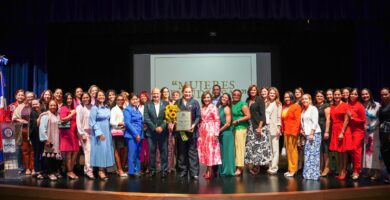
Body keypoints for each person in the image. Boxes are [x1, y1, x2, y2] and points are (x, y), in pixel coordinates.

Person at [171, 84, 201, 180]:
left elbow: (198, 116)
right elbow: (173, 115)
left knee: (192, 152)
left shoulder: (195, 102)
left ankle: (194, 173)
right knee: (181, 152)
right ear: (182, 92)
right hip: (181, 132)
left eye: (189, 92)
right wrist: (174, 121)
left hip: (192, 131)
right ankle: (182, 171)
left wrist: (193, 125)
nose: (187, 93)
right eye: (186, 91)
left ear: (192, 92)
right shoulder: (177, 103)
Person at [245, 85, 271, 175]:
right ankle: (253, 164)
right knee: (252, 147)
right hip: (250, 126)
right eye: (251, 90)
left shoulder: (259, 100)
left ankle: (257, 166)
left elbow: (262, 115)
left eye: (254, 90)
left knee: (258, 147)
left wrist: (260, 127)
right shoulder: (247, 100)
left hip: (258, 126)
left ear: (257, 91)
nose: (253, 91)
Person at [89, 90, 115, 180]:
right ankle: (100, 171)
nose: (101, 97)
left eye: (103, 95)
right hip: (99, 131)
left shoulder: (107, 107)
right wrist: (99, 133)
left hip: (107, 131)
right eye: (99, 95)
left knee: (106, 150)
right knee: (100, 150)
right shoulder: (94, 108)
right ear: (96, 97)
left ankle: (104, 169)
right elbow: (92, 122)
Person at [144, 88, 169, 178]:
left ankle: (164, 170)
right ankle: (152, 170)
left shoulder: (166, 104)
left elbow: (168, 117)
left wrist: (161, 127)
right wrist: (155, 128)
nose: (155, 95)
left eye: (157, 94)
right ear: (152, 94)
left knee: (164, 152)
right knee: (152, 152)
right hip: (151, 133)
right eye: (154, 94)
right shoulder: (147, 104)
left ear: (160, 94)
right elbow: (146, 118)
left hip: (163, 132)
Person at [329, 89, 352, 180]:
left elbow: (347, 120)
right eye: (335, 95)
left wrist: (342, 132)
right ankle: (340, 170)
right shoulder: (332, 106)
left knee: (344, 151)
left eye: (338, 95)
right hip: (335, 129)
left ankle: (344, 171)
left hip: (343, 129)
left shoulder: (345, 105)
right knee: (338, 151)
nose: (337, 96)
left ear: (341, 96)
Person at [198, 91, 221, 179]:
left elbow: (217, 120)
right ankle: (207, 169)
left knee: (211, 150)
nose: (206, 99)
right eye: (204, 97)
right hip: (203, 131)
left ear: (210, 98)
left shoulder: (213, 107)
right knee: (206, 151)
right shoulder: (202, 107)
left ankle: (210, 171)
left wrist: (216, 133)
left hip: (211, 130)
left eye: (208, 97)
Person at [361, 88, 382, 180]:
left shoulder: (377, 105)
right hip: (365, 132)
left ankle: (377, 172)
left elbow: (380, 118)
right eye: (363, 94)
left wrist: (371, 127)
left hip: (375, 131)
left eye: (366, 94)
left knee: (375, 152)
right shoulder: (362, 106)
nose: (365, 96)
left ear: (370, 94)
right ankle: (369, 170)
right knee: (367, 152)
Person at [39, 100, 62, 181]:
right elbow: (42, 128)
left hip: (57, 138)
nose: (53, 107)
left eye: (54, 105)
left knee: (55, 157)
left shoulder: (58, 115)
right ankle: (50, 173)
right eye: (51, 105)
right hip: (49, 138)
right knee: (49, 156)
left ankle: (54, 171)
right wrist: (45, 139)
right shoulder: (46, 115)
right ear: (48, 106)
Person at [301, 94, 322, 180]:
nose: (304, 100)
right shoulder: (303, 110)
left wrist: (312, 133)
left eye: (306, 99)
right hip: (307, 135)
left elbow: (315, 122)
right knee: (308, 154)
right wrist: (302, 130)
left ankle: (314, 174)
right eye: (303, 99)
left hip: (314, 134)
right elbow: (304, 122)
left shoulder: (313, 109)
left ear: (310, 100)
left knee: (314, 155)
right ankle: (308, 174)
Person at [59, 93, 79, 179]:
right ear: (64, 99)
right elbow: (62, 120)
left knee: (75, 151)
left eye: (70, 98)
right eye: (67, 99)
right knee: (69, 153)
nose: (69, 100)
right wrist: (72, 114)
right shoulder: (63, 108)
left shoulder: (72, 108)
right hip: (67, 133)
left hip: (74, 133)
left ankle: (71, 169)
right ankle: (69, 171)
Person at [282, 91, 302, 177]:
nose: (287, 99)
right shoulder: (285, 107)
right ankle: (290, 168)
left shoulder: (296, 106)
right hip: (286, 131)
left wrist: (295, 132)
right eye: (285, 97)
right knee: (289, 151)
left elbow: (298, 120)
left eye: (288, 97)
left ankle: (294, 169)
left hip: (293, 132)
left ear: (292, 97)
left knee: (293, 151)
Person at [231, 89, 250, 176]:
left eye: (237, 95)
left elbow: (248, 116)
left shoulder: (243, 104)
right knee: (234, 148)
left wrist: (238, 120)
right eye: (234, 94)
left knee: (240, 148)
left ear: (240, 96)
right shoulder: (231, 104)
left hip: (240, 128)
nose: (235, 96)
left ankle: (239, 168)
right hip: (232, 128)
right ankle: (236, 165)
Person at [124, 93, 144, 176]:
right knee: (132, 154)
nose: (135, 101)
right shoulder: (127, 110)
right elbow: (128, 123)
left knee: (138, 153)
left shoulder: (136, 109)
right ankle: (131, 171)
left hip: (140, 134)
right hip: (132, 135)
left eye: (136, 99)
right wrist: (136, 134)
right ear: (129, 100)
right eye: (133, 99)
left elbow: (139, 121)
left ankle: (137, 170)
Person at [348, 88, 366, 180]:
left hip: (358, 131)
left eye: (355, 94)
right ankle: (354, 168)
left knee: (356, 150)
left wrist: (353, 118)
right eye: (352, 94)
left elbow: (363, 120)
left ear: (358, 96)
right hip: (349, 130)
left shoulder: (360, 106)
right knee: (351, 151)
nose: (353, 96)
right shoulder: (347, 104)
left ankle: (357, 171)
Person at [76, 92, 94, 179]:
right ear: (81, 98)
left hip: (92, 133)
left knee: (90, 152)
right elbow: (78, 122)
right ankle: (89, 171)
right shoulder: (79, 108)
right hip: (84, 133)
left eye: (87, 97)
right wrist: (82, 134)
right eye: (84, 97)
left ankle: (86, 170)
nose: (86, 99)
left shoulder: (92, 107)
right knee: (88, 151)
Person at [110, 94, 128, 177]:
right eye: (118, 100)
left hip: (124, 132)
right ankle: (120, 170)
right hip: (117, 132)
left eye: (122, 99)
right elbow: (111, 122)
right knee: (117, 151)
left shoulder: (124, 109)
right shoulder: (114, 109)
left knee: (124, 150)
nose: (120, 101)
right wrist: (119, 124)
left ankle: (122, 168)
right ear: (116, 101)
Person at [218, 93, 235, 176]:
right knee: (222, 152)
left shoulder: (227, 108)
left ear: (228, 100)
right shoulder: (220, 107)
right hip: (221, 133)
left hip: (227, 133)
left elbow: (228, 124)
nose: (224, 98)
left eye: (226, 98)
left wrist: (218, 131)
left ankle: (228, 171)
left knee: (227, 152)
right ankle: (222, 170)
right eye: (223, 97)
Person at [314, 90, 331, 177]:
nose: (319, 98)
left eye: (321, 96)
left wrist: (327, 131)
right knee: (319, 149)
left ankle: (327, 167)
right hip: (317, 129)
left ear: (324, 97)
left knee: (325, 149)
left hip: (324, 128)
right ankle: (320, 167)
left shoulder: (326, 106)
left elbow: (328, 119)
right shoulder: (314, 106)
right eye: (317, 96)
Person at [266, 87, 282, 175]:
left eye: (273, 93)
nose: (272, 94)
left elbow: (279, 117)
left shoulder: (278, 104)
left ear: (276, 95)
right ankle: (270, 166)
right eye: (270, 93)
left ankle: (274, 167)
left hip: (274, 128)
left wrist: (278, 128)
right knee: (269, 149)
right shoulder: (267, 103)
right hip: (266, 128)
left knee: (275, 150)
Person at [29, 99, 44, 179]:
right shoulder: (32, 113)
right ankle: (37, 171)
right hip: (35, 137)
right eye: (33, 104)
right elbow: (37, 123)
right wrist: (42, 115)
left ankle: (41, 170)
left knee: (41, 154)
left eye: (36, 104)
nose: (35, 105)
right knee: (37, 154)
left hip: (41, 136)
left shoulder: (41, 111)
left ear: (39, 104)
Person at [378, 88, 390, 184]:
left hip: (388, 131)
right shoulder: (382, 105)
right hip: (383, 131)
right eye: (382, 95)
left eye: (386, 94)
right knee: (384, 152)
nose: (384, 96)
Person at [138, 91, 150, 174]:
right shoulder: (139, 106)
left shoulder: (151, 105)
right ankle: (142, 167)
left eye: (144, 96)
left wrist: (147, 125)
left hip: (149, 130)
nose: (143, 98)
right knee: (142, 150)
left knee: (148, 149)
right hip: (140, 130)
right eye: (141, 96)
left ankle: (148, 167)